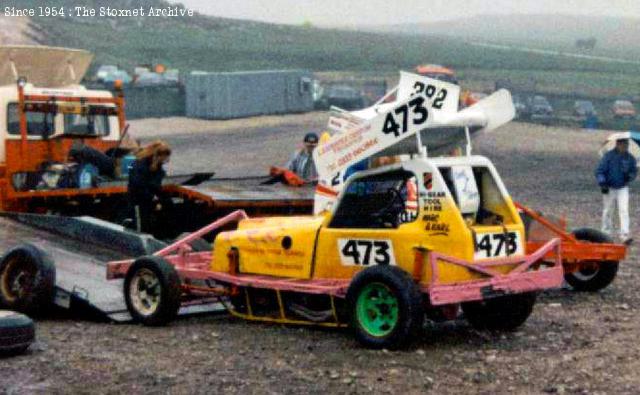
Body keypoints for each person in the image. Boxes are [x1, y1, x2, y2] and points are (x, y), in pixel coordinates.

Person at [596, 138, 637, 244]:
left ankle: (624, 235)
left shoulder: (630, 158)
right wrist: (602, 183)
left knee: (624, 210)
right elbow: (599, 171)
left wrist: (630, 176)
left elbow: (634, 171)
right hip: (609, 187)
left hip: (623, 187)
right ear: (618, 144)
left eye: (627, 145)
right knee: (608, 210)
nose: (626, 147)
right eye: (624, 145)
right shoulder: (608, 156)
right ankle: (605, 234)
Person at [128, 140, 172, 233]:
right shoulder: (141, 165)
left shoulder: (155, 166)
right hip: (138, 201)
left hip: (148, 199)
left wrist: (157, 199)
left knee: (148, 223)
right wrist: (153, 197)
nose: (165, 161)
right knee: (140, 226)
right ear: (159, 156)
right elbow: (138, 185)